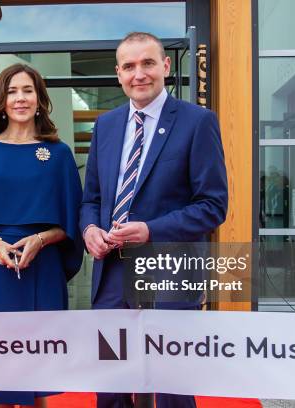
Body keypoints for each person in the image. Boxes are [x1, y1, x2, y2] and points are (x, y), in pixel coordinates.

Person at [80, 32, 228, 408]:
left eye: (147, 63)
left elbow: (213, 205)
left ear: (165, 66)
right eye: (129, 66)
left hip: (170, 272)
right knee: (111, 385)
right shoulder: (106, 126)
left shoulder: (197, 122)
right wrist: (90, 229)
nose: (138, 74)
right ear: (118, 74)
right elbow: (92, 198)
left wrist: (150, 230)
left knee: (171, 386)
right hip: (112, 274)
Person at [0, 63, 83, 408]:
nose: (20, 98)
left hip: (42, 267)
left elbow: (72, 222)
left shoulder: (58, 154)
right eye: (11, 91)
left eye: (27, 90)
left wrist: (40, 240)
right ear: (0, 101)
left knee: (37, 377)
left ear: (39, 99)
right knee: (0, 377)